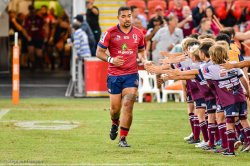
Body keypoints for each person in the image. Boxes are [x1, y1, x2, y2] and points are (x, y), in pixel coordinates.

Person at [96, 6, 148, 147]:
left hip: (131, 74)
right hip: (114, 76)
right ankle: (114, 123)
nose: (127, 19)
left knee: (128, 104)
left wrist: (145, 61)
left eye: (129, 16)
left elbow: (142, 52)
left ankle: (123, 138)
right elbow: (99, 52)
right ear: (118, 17)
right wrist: (111, 60)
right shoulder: (109, 33)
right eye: (124, 16)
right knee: (114, 110)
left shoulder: (139, 33)